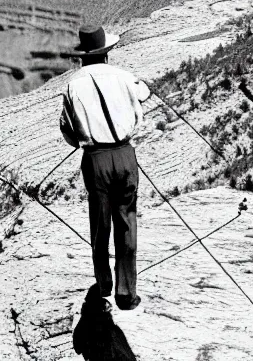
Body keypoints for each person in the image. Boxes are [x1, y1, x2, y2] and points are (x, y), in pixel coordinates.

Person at [60, 24, 150, 311]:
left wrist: (84, 140)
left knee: (100, 225)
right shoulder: (123, 77)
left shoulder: (73, 85)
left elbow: (67, 129)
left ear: (82, 57)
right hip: (125, 154)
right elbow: (144, 94)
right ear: (107, 53)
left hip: (95, 159)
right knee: (126, 222)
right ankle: (127, 294)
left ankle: (104, 285)